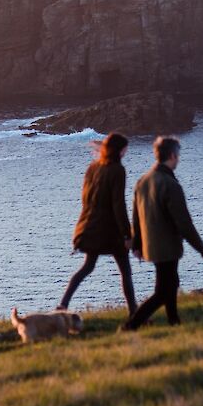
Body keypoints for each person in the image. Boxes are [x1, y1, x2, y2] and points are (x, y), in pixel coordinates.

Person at [123, 135, 203, 330]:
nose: (178, 159)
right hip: (167, 245)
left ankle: (173, 321)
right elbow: (184, 222)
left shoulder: (143, 180)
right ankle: (131, 325)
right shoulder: (171, 185)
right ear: (172, 155)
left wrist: (137, 244)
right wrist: (201, 247)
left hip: (151, 245)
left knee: (170, 283)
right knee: (163, 291)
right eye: (178, 156)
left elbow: (135, 216)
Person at [58, 132, 137, 316]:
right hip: (109, 231)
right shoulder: (117, 169)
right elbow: (118, 204)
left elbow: (85, 199)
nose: (126, 151)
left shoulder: (93, 167)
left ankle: (63, 304)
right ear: (119, 150)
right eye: (125, 148)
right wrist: (127, 235)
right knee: (125, 271)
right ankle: (134, 313)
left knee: (88, 266)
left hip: (89, 226)